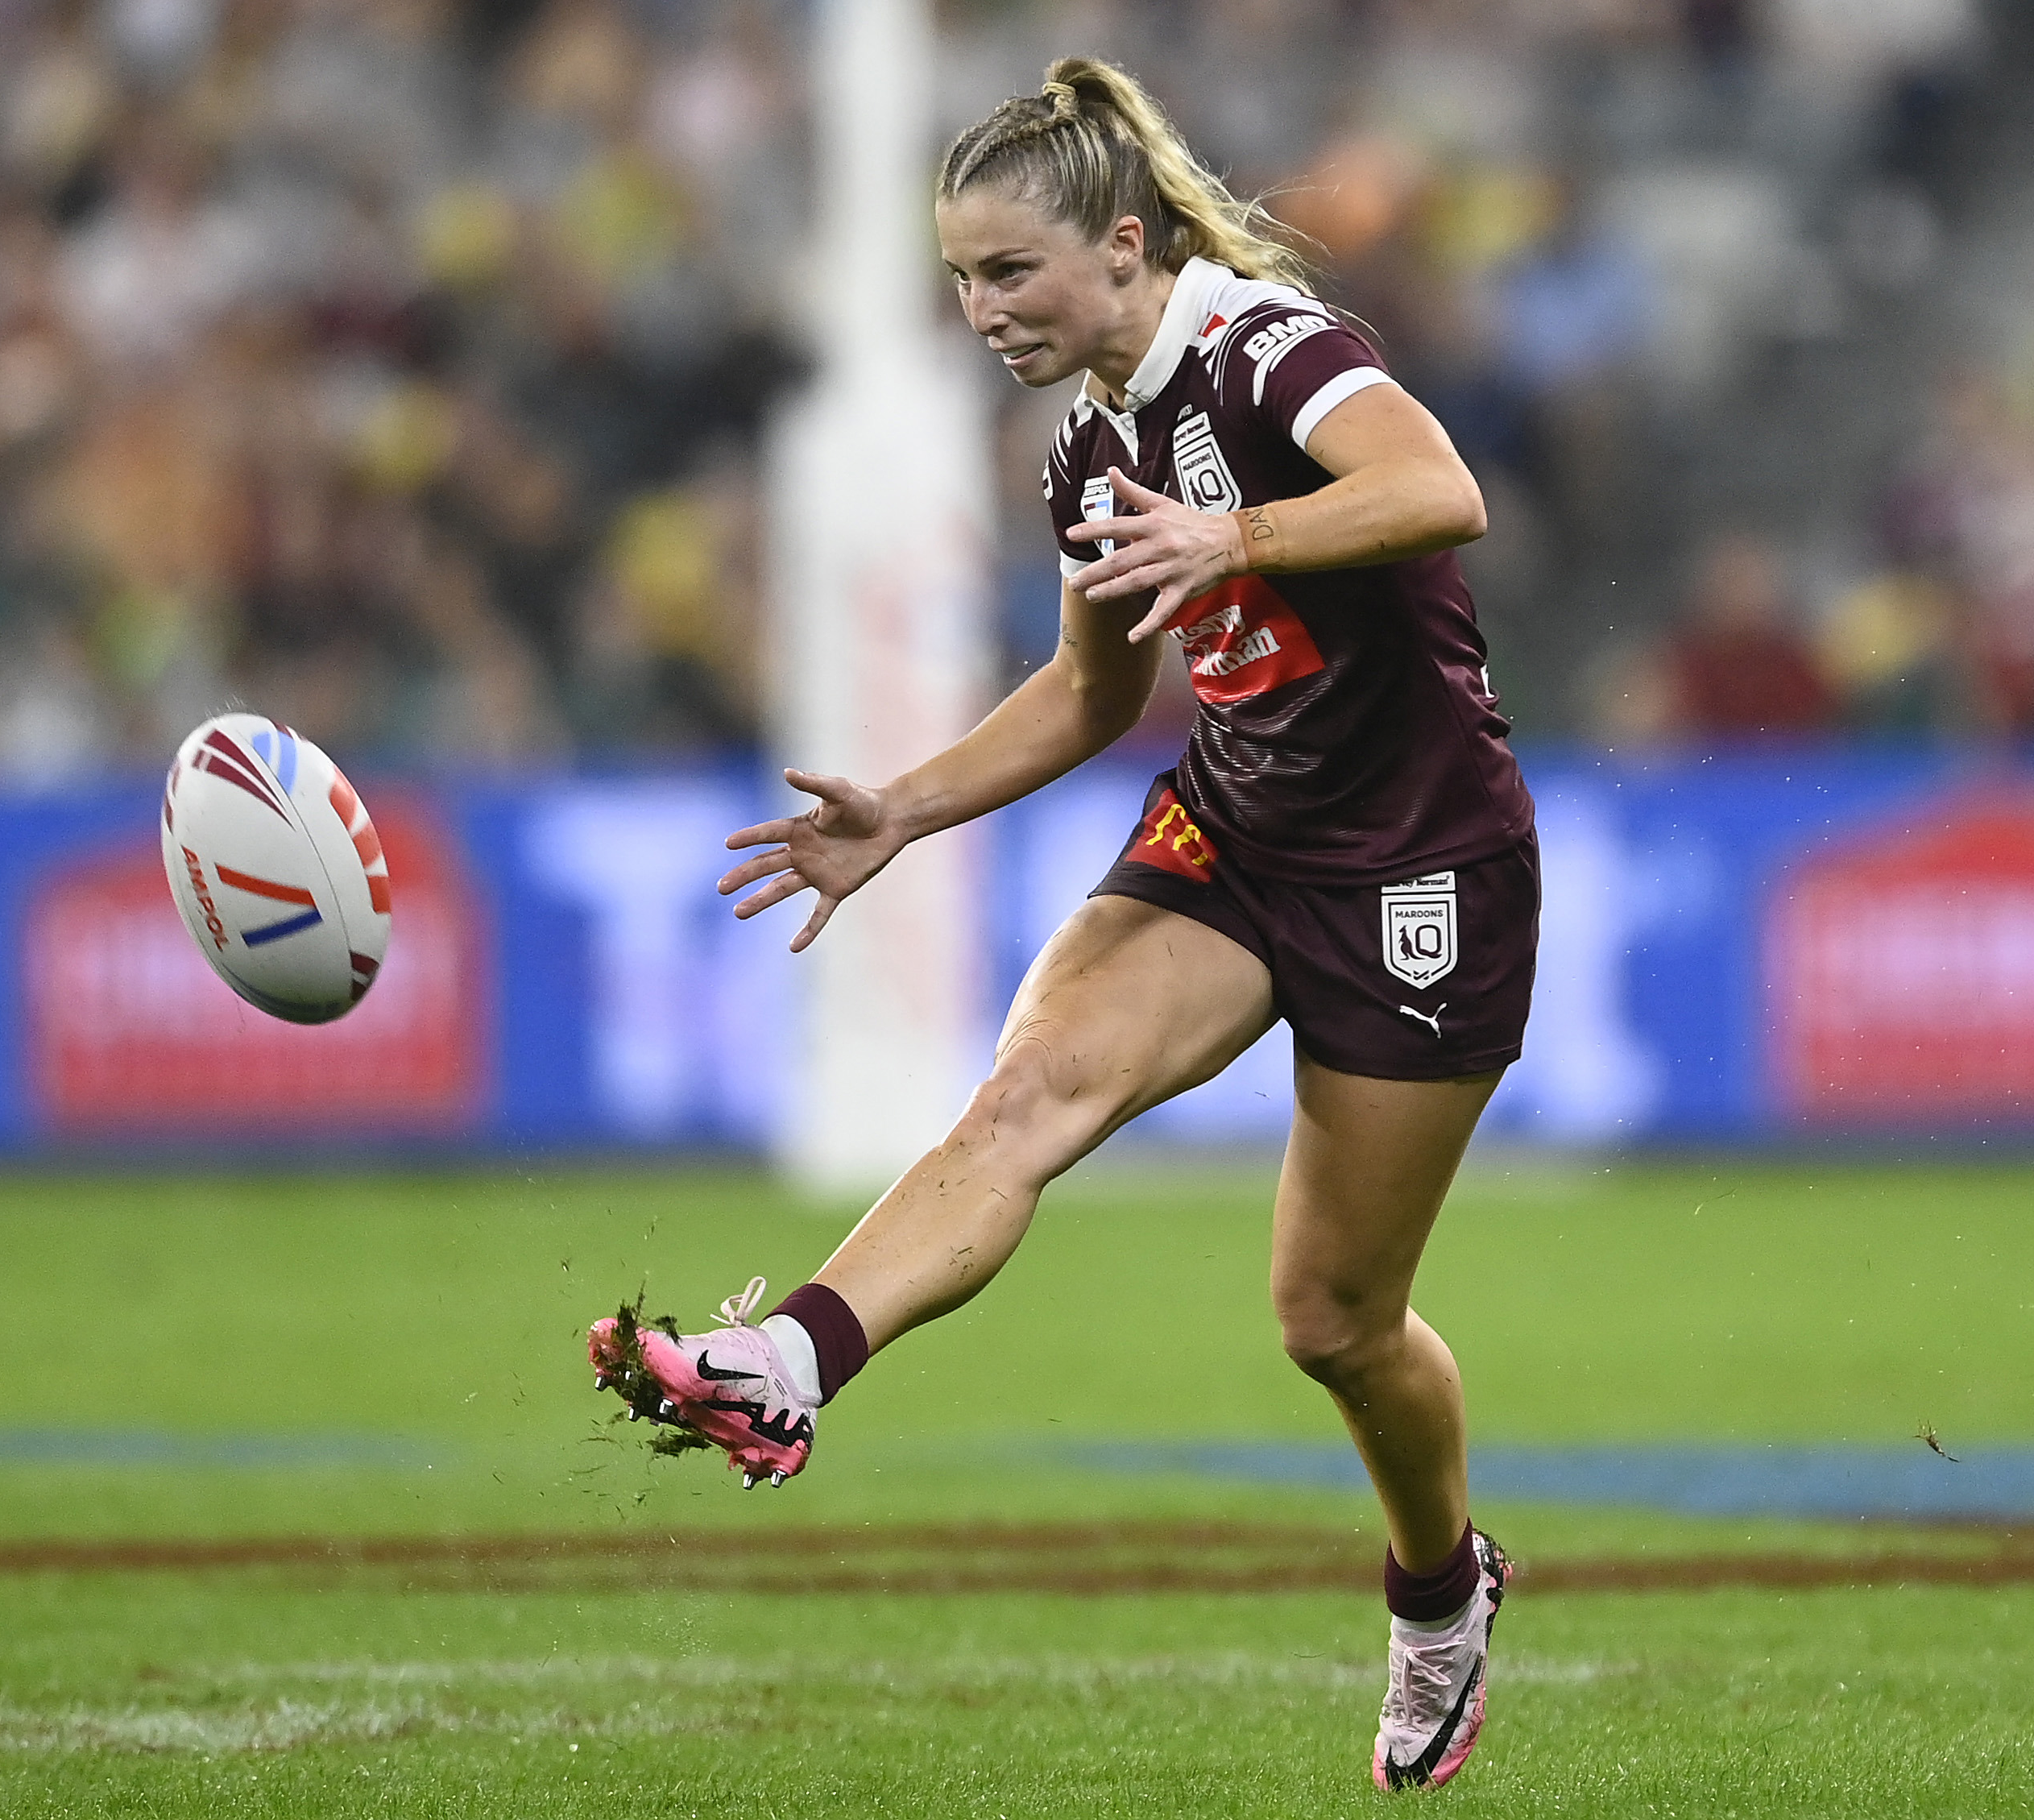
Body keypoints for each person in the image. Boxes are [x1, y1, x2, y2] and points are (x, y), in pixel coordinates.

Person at [585, 57, 1539, 1794]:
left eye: (1009, 270)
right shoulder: (1088, 445)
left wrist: (1240, 531)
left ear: (1122, 244)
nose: (981, 310)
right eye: (959, 278)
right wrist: (902, 809)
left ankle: (1438, 1589)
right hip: (1236, 834)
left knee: (1332, 1319)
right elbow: (1093, 691)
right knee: (1022, 1098)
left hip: (1421, 868)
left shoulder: (1266, 349)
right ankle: (789, 1358)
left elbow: (1440, 488)